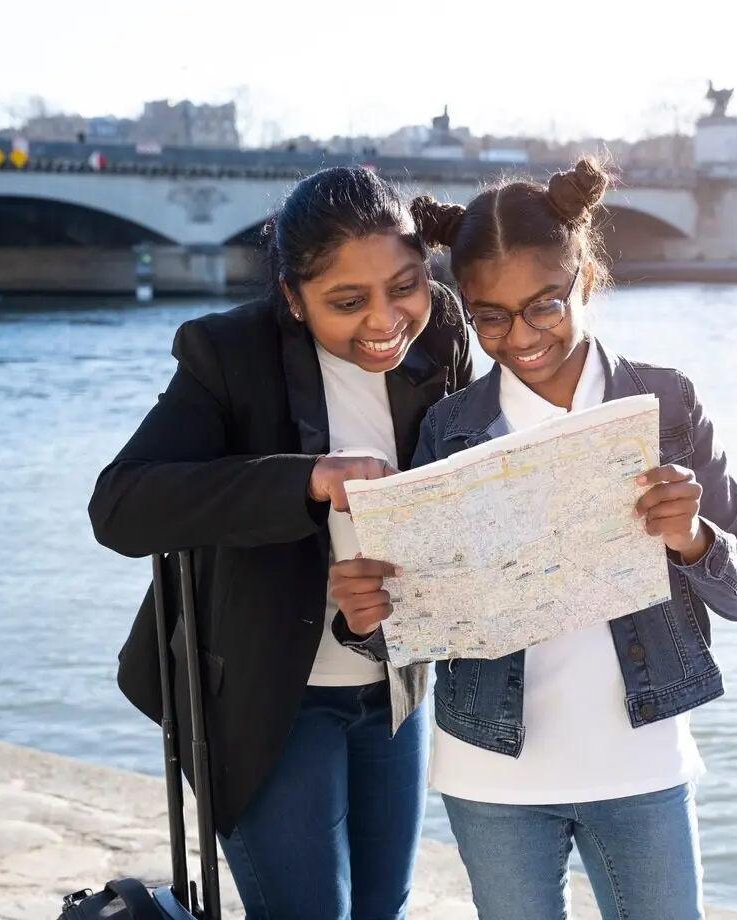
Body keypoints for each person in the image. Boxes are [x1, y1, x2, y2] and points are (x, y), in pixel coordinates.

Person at [327, 157, 737, 920]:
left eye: (545, 306)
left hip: (641, 761)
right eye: (488, 316)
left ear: (586, 279)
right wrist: (366, 618)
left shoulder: (665, 401)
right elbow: (416, 621)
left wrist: (692, 538)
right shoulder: (449, 427)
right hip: (490, 770)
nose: (520, 336)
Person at [87, 165, 475, 920]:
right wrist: (307, 481)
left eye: (405, 285)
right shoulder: (227, 355)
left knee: (382, 912)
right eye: (346, 301)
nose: (385, 319)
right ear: (293, 297)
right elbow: (120, 506)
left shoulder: (444, 333)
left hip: (395, 686)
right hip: (269, 698)